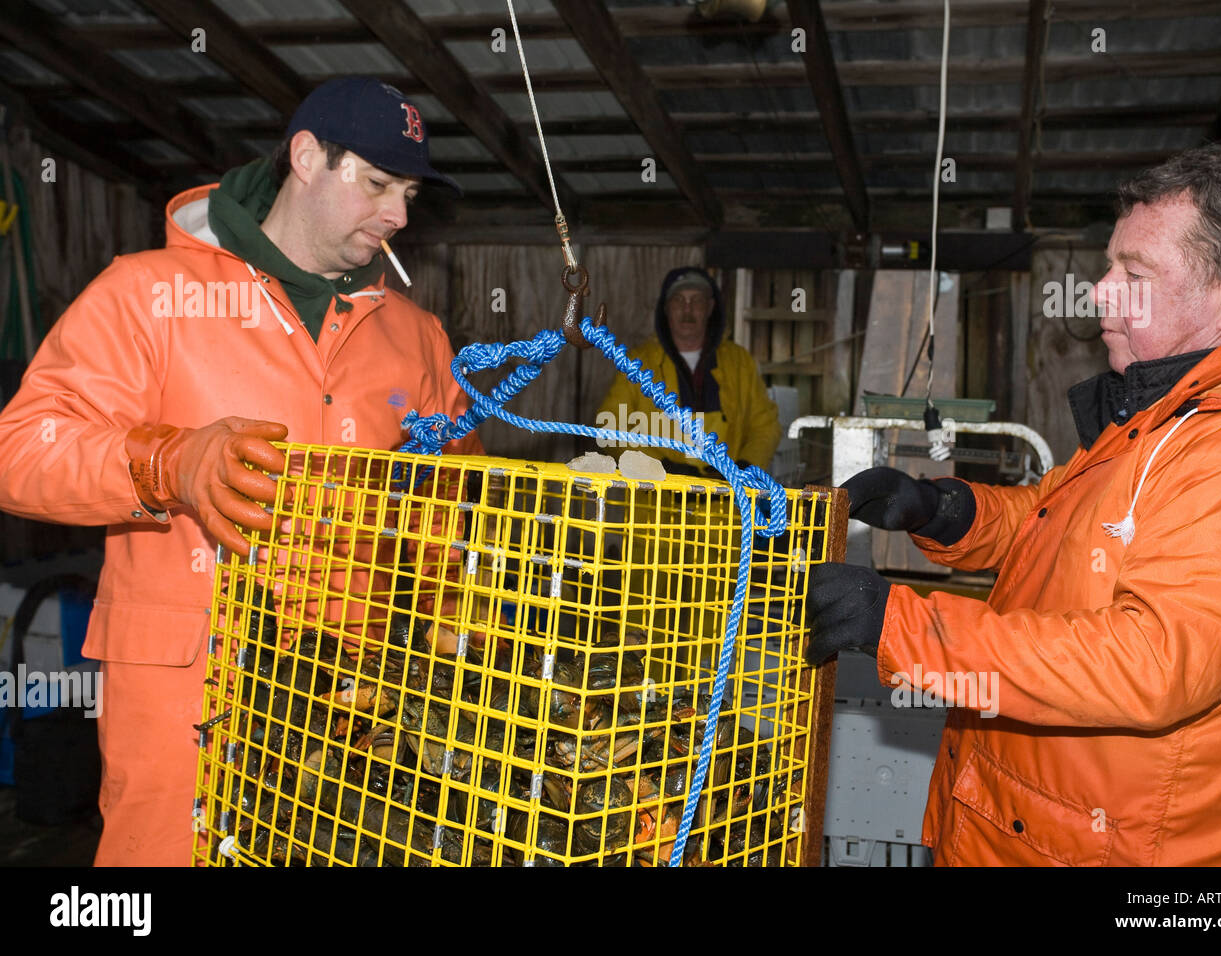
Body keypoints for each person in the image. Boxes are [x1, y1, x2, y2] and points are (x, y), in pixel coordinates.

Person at [0, 76, 483, 866]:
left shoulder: (417, 336)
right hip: (186, 700)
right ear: (304, 157)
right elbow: (20, 450)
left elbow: (443, 509)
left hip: (352, 711)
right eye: (377, 184)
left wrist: (447, 611)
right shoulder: (147, 295)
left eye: (408, 194)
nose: (398, 215)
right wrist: (166, 462)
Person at [805, 143, 1221, 866]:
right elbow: (1059, 521)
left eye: (1135, 273)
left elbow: (1152, 662)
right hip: (1032, 825)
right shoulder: (1171, 409)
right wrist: (941, 511)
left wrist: (895, 623)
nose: (1100, 292)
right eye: (1109, 268)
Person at [597, 267, 780, 475]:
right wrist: (660, 467)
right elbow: (609, 425)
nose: (687, 309)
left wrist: (744, 468)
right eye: (678, 300)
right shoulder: (636, 363)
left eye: (697, 301)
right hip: (656, 499)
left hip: (726, 500)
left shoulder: (740, 362)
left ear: (710, 307)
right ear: (666, 308)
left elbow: (766, 425)